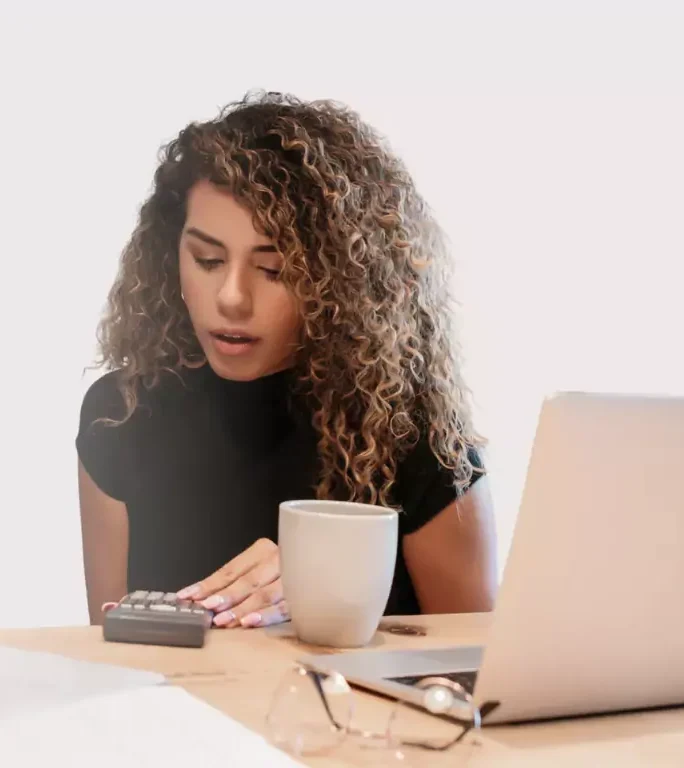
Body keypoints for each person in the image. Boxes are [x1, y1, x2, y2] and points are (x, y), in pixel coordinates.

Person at [76, 90, 497, 629]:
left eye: (274, 270)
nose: (231, 297)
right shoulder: (122, 411)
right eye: (206, 259)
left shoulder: (413, 435)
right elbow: (110, 652)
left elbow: (476, 669)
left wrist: (331, 593)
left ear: (339, 281)